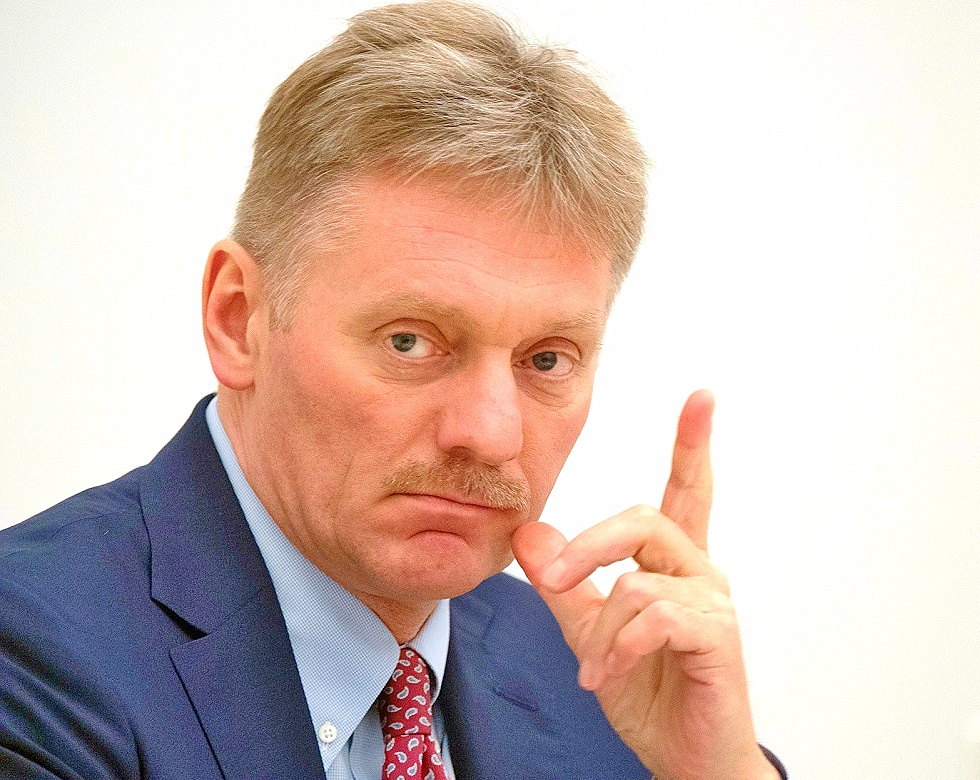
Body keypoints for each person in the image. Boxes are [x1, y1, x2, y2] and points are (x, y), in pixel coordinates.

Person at [0, 2, 786, 778]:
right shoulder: (30, 656)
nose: (491, 434)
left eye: (546, 360)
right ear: (238, 320)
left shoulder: (598, 676)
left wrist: (718, 774)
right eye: (410, 341)